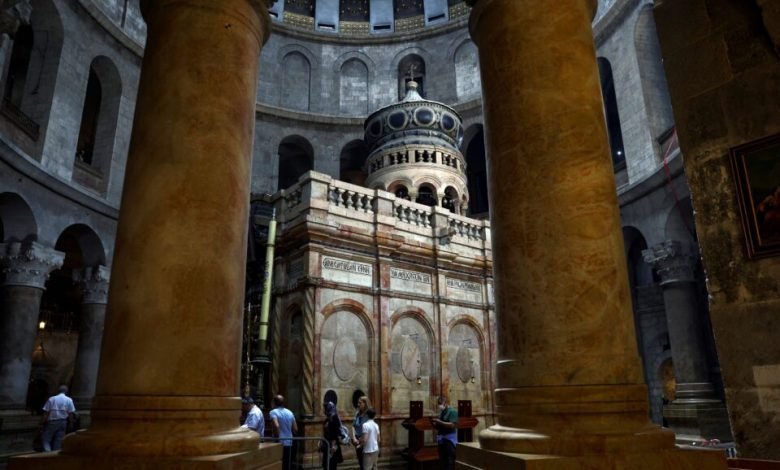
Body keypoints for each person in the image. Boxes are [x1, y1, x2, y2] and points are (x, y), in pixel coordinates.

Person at [40, 385, 76, 452]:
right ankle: (55, 453)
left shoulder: (52, 399)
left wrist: (42, 422)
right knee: (59, 440)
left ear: (58, 391)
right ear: (66, 392)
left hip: (52, 422)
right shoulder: (69, 400)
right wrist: (71, 423)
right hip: (63, 422)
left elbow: (46, 412)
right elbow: (70, 413)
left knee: (46, 439)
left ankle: (47, 453)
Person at [270, 394, 298, 470]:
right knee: (287, 464)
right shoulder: (290, 412)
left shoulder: (273, 412)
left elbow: (276, 425)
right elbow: (295, 428)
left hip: (280, 442)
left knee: (279, 464)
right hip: (289, 442)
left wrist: (278, 439)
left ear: (274, 403)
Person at [431, 395, 458, 470]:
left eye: (441, 403)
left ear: (446, 403)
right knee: (442, 459)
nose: (440, 405)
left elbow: (452, 425)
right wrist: (433, 423)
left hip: (449, 439)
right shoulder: (442, 412)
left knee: (450, 459)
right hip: (441, 439)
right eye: (438, 404)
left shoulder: (453, 412)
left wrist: (439, 421)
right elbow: (439, 426)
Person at [321, 401, 343, 470]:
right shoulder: (328, 418)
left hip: (333, 446)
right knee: (326, 464)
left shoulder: (334, 417)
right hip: (327, 444)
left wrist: (333, 445)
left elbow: (335, 432)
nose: (323, 410)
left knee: (332, 465)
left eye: (325, 408)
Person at [351, 396, 370, 470]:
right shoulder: (357, 414)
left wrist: (360, 440)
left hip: (365, 443)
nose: (358, 404)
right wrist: (354, 437)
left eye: (360, 403)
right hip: (357, 442)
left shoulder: (368, 415)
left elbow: (369, 430)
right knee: (361, 463)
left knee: (366, 465)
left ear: (365, 404)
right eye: (358, 403)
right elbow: (353, 426)